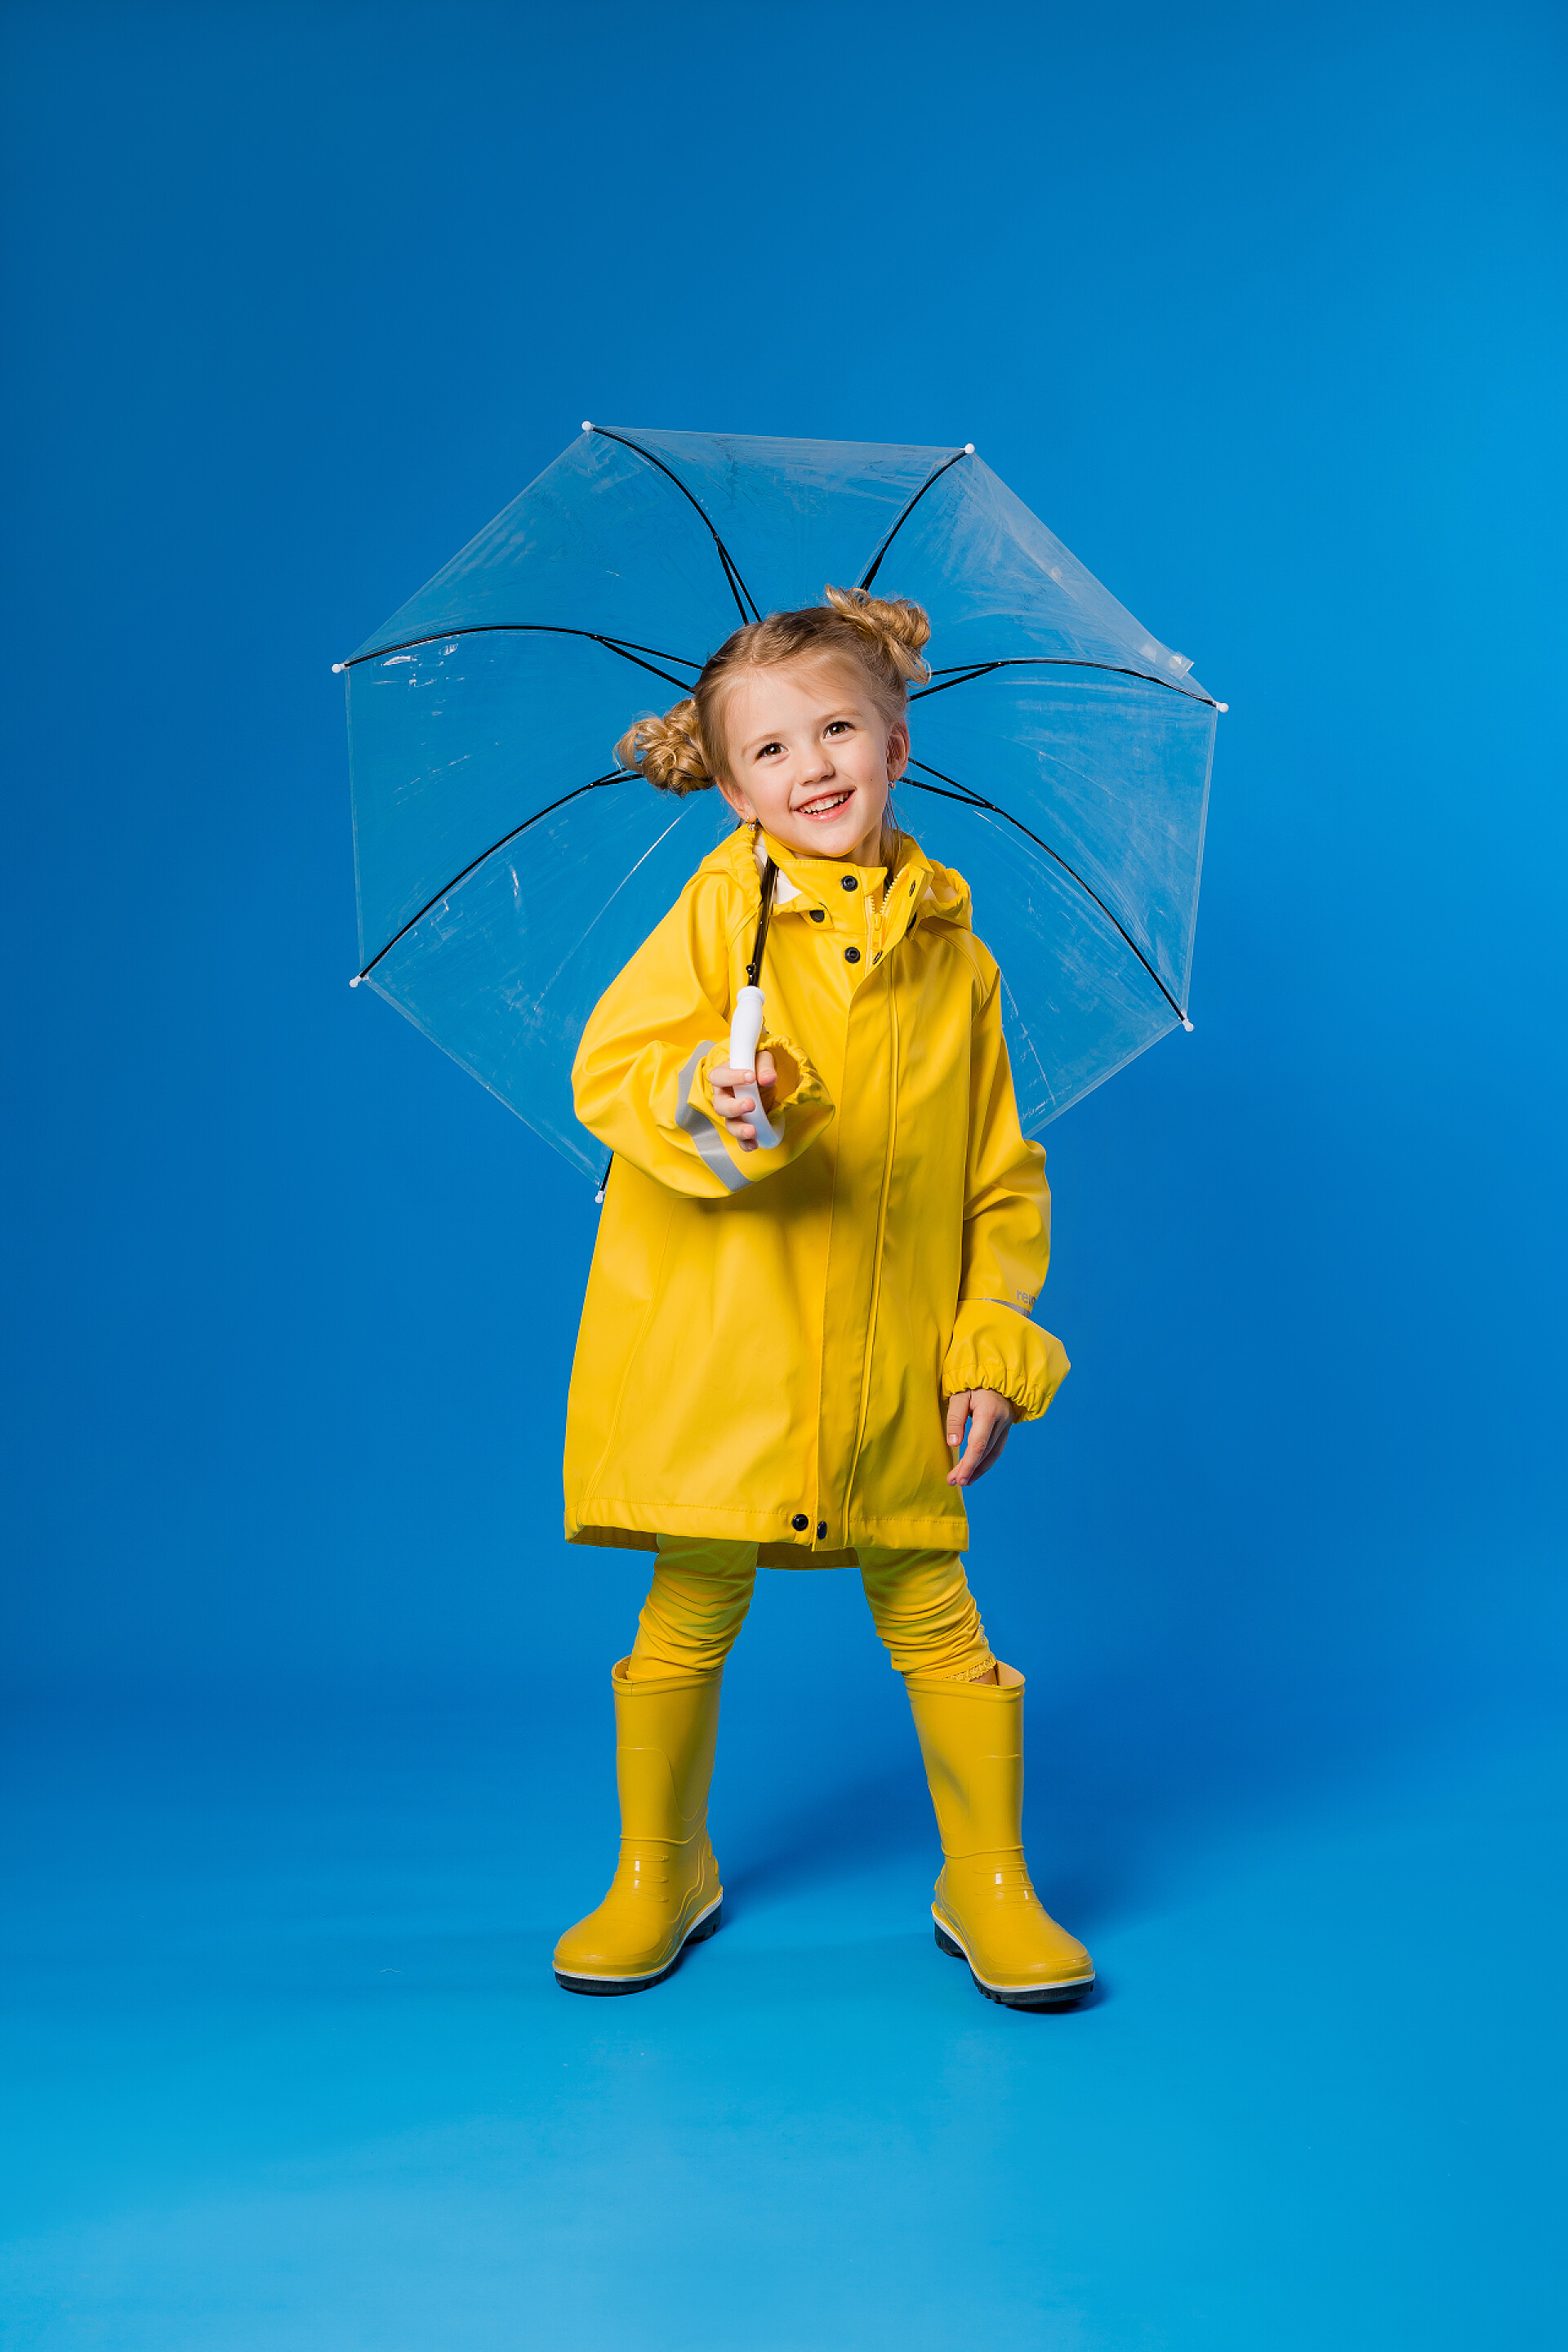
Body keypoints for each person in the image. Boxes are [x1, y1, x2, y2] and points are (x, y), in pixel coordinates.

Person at [554, 586, 1093, 2009]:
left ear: (897, 738)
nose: (816, 769)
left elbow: (999, 1175)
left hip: (888, 1363)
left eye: (839, 728)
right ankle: (658, 1870)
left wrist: (990, 1343)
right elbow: (610, 1072)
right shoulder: (718, 919)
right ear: (730, 790)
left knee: (936, 1609)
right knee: (691, 1601)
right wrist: (716, 1096)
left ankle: (988, 1883)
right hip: (729, 1357)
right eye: (774, 752)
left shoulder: (956, 962)